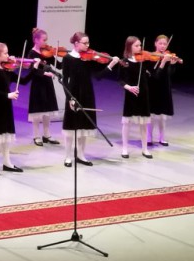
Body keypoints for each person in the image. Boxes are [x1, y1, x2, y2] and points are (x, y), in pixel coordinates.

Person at [60, 32, 121, 167]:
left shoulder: (88, 58)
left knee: (84, 126)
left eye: (88, 42)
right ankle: (68, 156)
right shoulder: (68, 58)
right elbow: (64, 80)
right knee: (71, 127)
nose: (88, 45)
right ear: (76, 43)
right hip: (73, 94)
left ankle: (81, 155)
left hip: (87, 94)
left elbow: (98, 76)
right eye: (85, 43)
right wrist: (70, 98)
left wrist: (111, 64)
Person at [0, 42, 31, 175]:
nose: (9, 56)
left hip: (5, 107)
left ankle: (7, 163)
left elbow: (23, 81)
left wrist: (34, 69)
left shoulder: (6, 70)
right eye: (6, 53)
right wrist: (7, 95)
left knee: (6, 136)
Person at [25, 28, 61, 146]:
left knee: (47, 110)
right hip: (38, 84)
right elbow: (33, 70)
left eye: (46, 40)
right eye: (44, 40)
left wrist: (63, 56)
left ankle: (47, 135)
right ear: (36, 40)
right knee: (37, 111)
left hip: (47, 83)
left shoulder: (47, 52)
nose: (46, 43)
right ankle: (36, 136)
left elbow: (59, 66)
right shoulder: (32, 53)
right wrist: (45, 73)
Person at [118, 36, 153, 159]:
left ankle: (145, 149)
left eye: (140, 45)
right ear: (129, 47)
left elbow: (152, 73)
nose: (140, 48)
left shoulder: (143, 60)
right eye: (137, 46)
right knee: (127, 123)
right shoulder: (124, 62)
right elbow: (120, 80)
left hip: (143, 93)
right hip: (131, 94)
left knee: (143, 123)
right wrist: (129, 87)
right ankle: (124, 149)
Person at [146, 34, 181, 146]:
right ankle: (148, 137)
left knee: (162, 117)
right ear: (155, 43)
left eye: (165, 44)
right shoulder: (150, 57)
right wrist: (162, 62)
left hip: (164, 89)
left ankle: (162, 138)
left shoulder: (168, 56)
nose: (162, 46)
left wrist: (172, 65)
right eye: (160, 43)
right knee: (151, 116)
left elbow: (169, 74)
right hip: (153, 88)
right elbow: (155, 76)